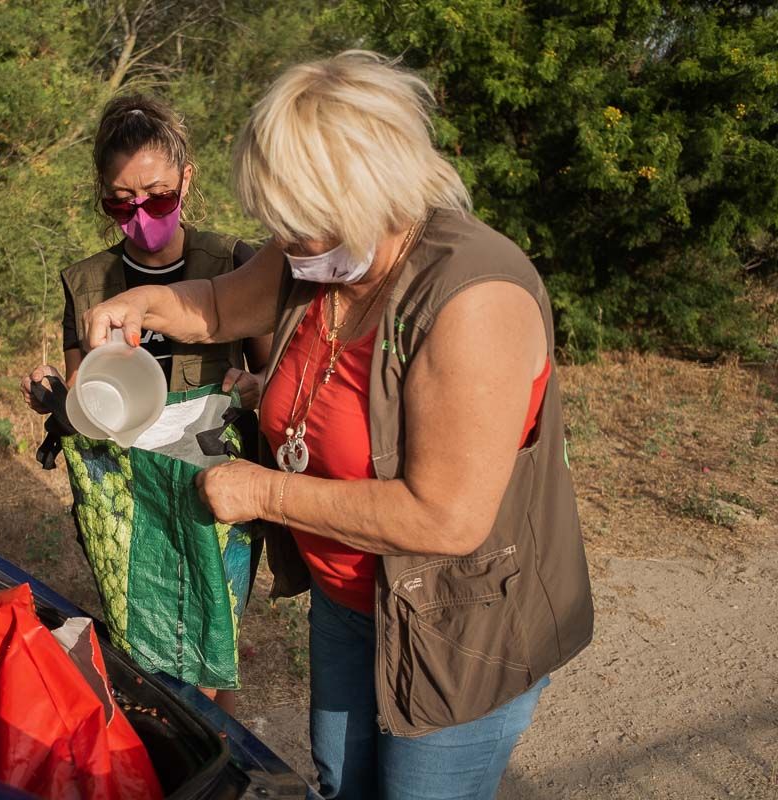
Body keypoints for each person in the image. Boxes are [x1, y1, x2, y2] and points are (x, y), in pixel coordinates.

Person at [80, 52, 594, 800]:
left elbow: (445, 516)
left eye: (301, 224)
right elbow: (222, 307)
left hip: (456, 623)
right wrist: (143, 309)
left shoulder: (472, 299)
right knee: (340, 782)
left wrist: (266, 494)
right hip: (350, 594)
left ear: (370, 191)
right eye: (278, 225)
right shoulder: (319, 253)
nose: (286, 244)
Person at [20, 94, 271, 714]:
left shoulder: (236, 263)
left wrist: (251, 387)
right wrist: (53, 399)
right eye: (120, 202)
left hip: (212, 479)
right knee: (149, 643)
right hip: (129, 488)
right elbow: (87, 400)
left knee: (215, 636)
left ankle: (219, 753)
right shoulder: (86, 282)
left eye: (157, 197)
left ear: (187, 179)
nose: (140, 216)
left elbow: (276, 378)